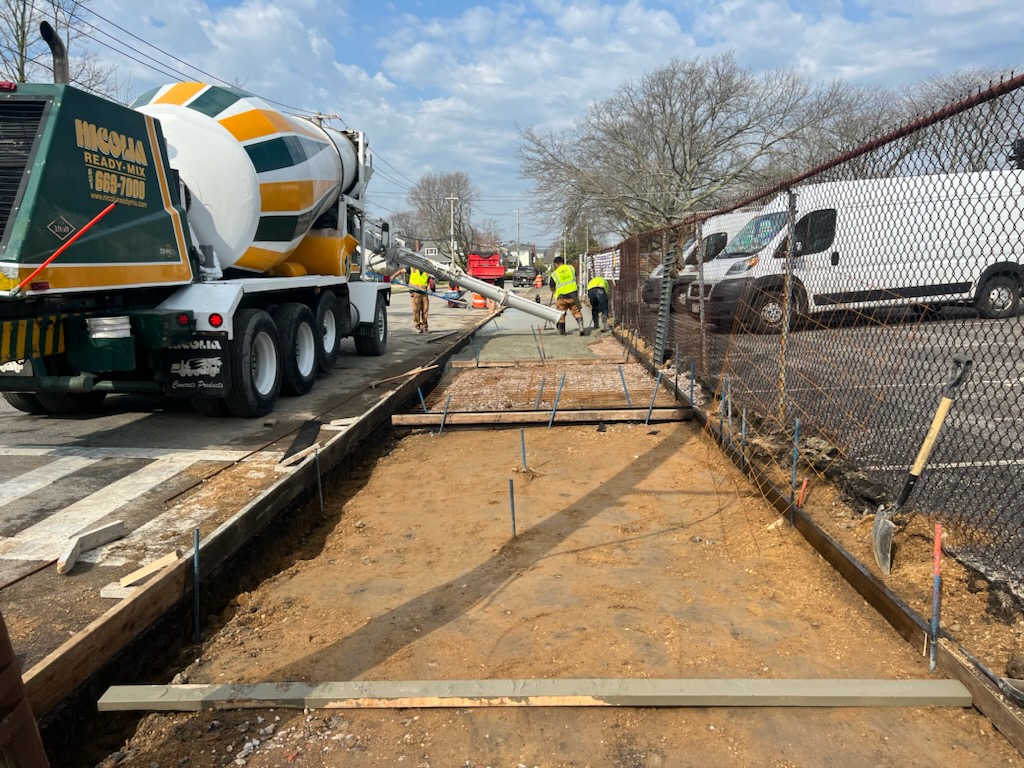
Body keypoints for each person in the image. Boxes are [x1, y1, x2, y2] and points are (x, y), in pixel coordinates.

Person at [549, 256, 585, 336]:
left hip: (561, 296)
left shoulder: (554, 274)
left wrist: (553, 290)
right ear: (563, 261)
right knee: (577, 311)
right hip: (574, 294)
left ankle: (561, 331)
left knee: (561, 313)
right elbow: (575, 276)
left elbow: (551, 286)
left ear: (555, 264)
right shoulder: (571, 268)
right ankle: (581, 327)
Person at [391, 265, 431, 333]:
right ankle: (417, 326)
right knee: (416, 310)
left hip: (424, 292)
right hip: (416, 292)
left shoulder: (426, 269)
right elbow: (401, 271)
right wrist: (393, 277)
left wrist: (429, 288)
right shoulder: (412, 268)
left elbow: (428, 280)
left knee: (425, 310)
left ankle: (425, 327)